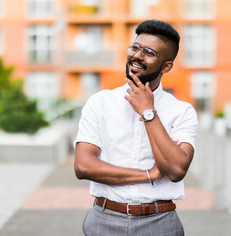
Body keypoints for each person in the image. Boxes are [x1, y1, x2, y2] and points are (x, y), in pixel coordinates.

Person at [73, 19, 198, 236]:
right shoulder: (100, 102)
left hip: (159, 222)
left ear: (166, 66)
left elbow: (176, 170)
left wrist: (148, 113)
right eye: (135, 47)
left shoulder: (182, 111)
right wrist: (149, 174)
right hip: (104, 219)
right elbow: (83, 166)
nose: (137, 56)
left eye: (149, 52)